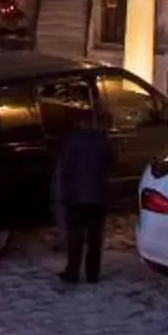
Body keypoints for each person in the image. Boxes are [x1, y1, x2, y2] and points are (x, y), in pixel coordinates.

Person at [54, 106, 113, 285]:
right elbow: (110, 164)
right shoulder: (102, 140)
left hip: (76, 197)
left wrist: (63, 194)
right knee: (95, 238)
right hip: (98, 196)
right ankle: (92, 274)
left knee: (76, 238)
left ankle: (72, 273)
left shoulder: (71, 141)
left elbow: (65, 169)